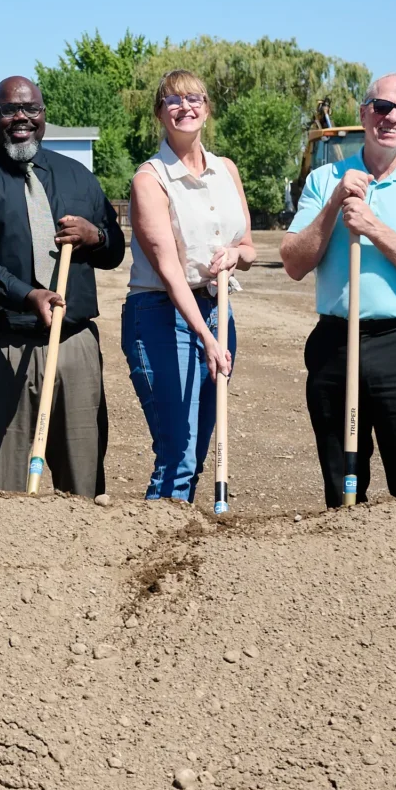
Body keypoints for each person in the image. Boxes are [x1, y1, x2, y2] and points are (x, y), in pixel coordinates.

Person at [0, 76, 127, 496]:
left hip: (73, 346)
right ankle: (7, 561)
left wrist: (98, 238)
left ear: (43, 116)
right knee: (2, 487)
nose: (20, 117)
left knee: (84, 481)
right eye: (9, 110)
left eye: (30, 109)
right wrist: (27, 293)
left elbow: (113, 251)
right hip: (0, 348)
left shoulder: (77, 177)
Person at [279, 74, 396, 508]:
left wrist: (374, 228)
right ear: (363, 114)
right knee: (342, 489)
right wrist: (334, 205)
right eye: (381, 107)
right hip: (336, 345)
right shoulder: (326, 180)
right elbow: (293, 262)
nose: (392, 117)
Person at [122, 70, 257, 501]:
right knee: (177, 452)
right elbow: (168, 270)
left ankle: (183, 544)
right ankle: (154, 547)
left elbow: (250, 248)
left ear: (207, 107)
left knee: (196, 452)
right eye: (173, 100)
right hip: (163, 315)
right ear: (160, 113)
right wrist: (206, 336)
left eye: (194, 97)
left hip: (218, 309)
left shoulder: (226, 169)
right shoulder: (150, 179)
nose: (185, 106)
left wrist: (236, 254)